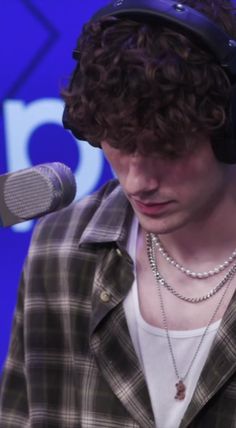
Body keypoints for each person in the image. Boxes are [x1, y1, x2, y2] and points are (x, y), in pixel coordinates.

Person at [1, 0, 236, 426]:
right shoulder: (59, 248)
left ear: (228, 128)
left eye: (167, 148)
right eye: (120, 143)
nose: (137, 181)